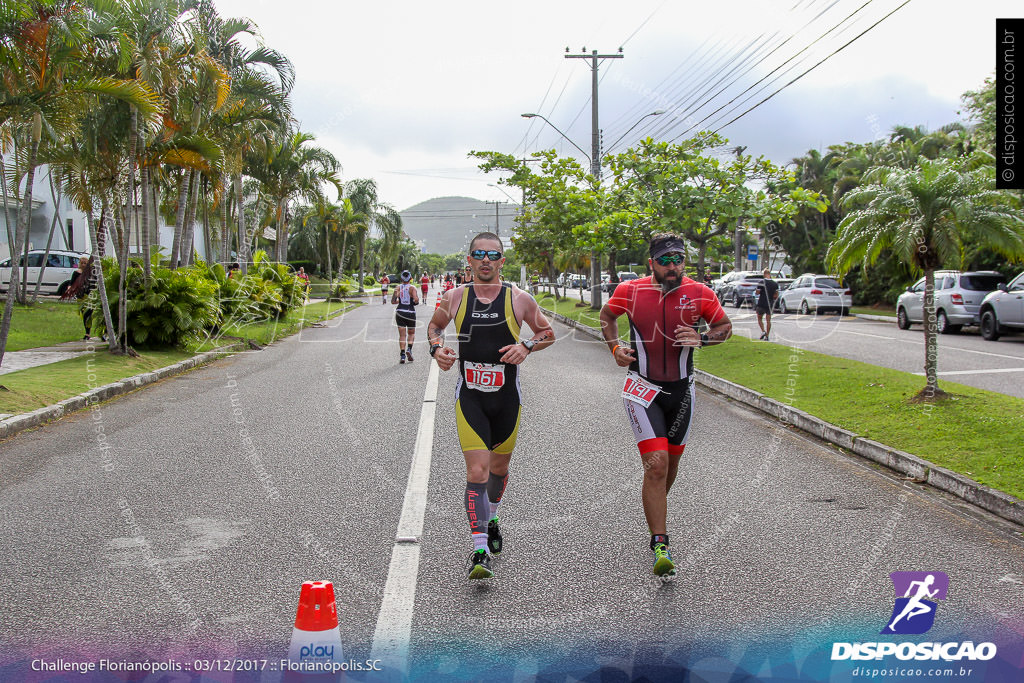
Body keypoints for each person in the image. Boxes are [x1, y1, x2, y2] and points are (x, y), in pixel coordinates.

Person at [599, 233, 733, 578]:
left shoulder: (701, 293)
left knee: (668, 468)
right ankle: (660, 542)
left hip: (682, 392)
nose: (673, 267)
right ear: (652, 264)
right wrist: (615, 348)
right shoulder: (630, 291)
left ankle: (653, 500)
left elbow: (724, 327)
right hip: (642, 388)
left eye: (679, 260)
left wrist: (703, 338)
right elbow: (606, 316)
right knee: (656, 465)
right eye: (665, 261)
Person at [427, 232, 555, 580]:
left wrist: (526, 346)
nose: (486, 260)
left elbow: (547, 333)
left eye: (493, 255)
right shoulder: (454, 297)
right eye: (479, 254)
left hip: (507, 400)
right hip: (470, 398)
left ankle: (493, 515)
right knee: (477, 472)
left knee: (498, 470)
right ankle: (479, 548)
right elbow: (435, 327)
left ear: (501, 261)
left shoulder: (520, 299)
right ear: (469, 260)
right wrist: (436, 349)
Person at [61, 255, 97, 340]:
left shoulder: (91, 272)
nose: (84, 265)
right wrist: (69, 288)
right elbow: (71, 282)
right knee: (85, 315)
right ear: (80, 263)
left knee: (90, 314)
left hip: (91, 296)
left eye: (85, 263)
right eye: (82, 263)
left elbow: (96, 282)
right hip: (81, 296)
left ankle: (103, 333)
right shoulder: (76, 273)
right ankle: (87, 333)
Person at [392, 270, 420, 363]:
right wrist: (414, 300)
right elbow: (416, 300)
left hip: (400, 312)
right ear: (410, 278)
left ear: (401, 278)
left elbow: (393, 301)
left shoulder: (397, 288)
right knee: (411, 333)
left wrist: (400, 301)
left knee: (402, 335)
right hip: (410, 312)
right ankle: (409, 349)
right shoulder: (412, 288)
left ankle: (402, 355)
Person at [754, 268, 779, 341]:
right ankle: (767, 335)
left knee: (759, 318)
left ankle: (763, 331)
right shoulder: (775, 284)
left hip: (761, 303)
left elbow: (757, 293)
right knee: (768, 320)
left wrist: (757, 291)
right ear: (769, 274)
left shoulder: (761, 282)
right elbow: (776, 295)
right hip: (770, 304)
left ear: (764, 274)